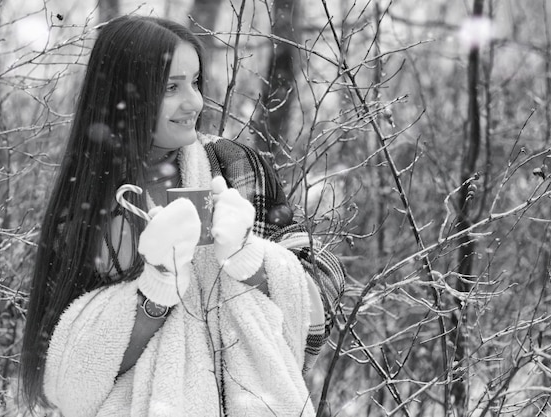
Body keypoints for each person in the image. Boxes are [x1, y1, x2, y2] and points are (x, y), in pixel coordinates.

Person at [21, 15, 345, 417]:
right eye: (170, 87)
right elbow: (70, 380)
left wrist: (253, 262)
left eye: (194, 83)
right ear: (123, 96)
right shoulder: (90, 205)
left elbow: (324, 299)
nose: (193, 102)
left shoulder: (234, 169)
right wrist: (154, 292)